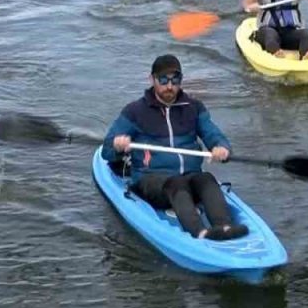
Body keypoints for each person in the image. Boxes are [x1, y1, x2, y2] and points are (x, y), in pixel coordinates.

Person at [102, 55, 249, 241]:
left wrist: (221, 148)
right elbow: (106, 150)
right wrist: (117, 145)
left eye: (175, 80)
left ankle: (225, 227)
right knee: (176, 183)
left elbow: (213, 134)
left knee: (206, 178)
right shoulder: (135, 111)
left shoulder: (194, 108)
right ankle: (199, 233)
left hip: (189, 176)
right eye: (163, 80)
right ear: (152, 79)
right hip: (151, 181)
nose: (169, 86)